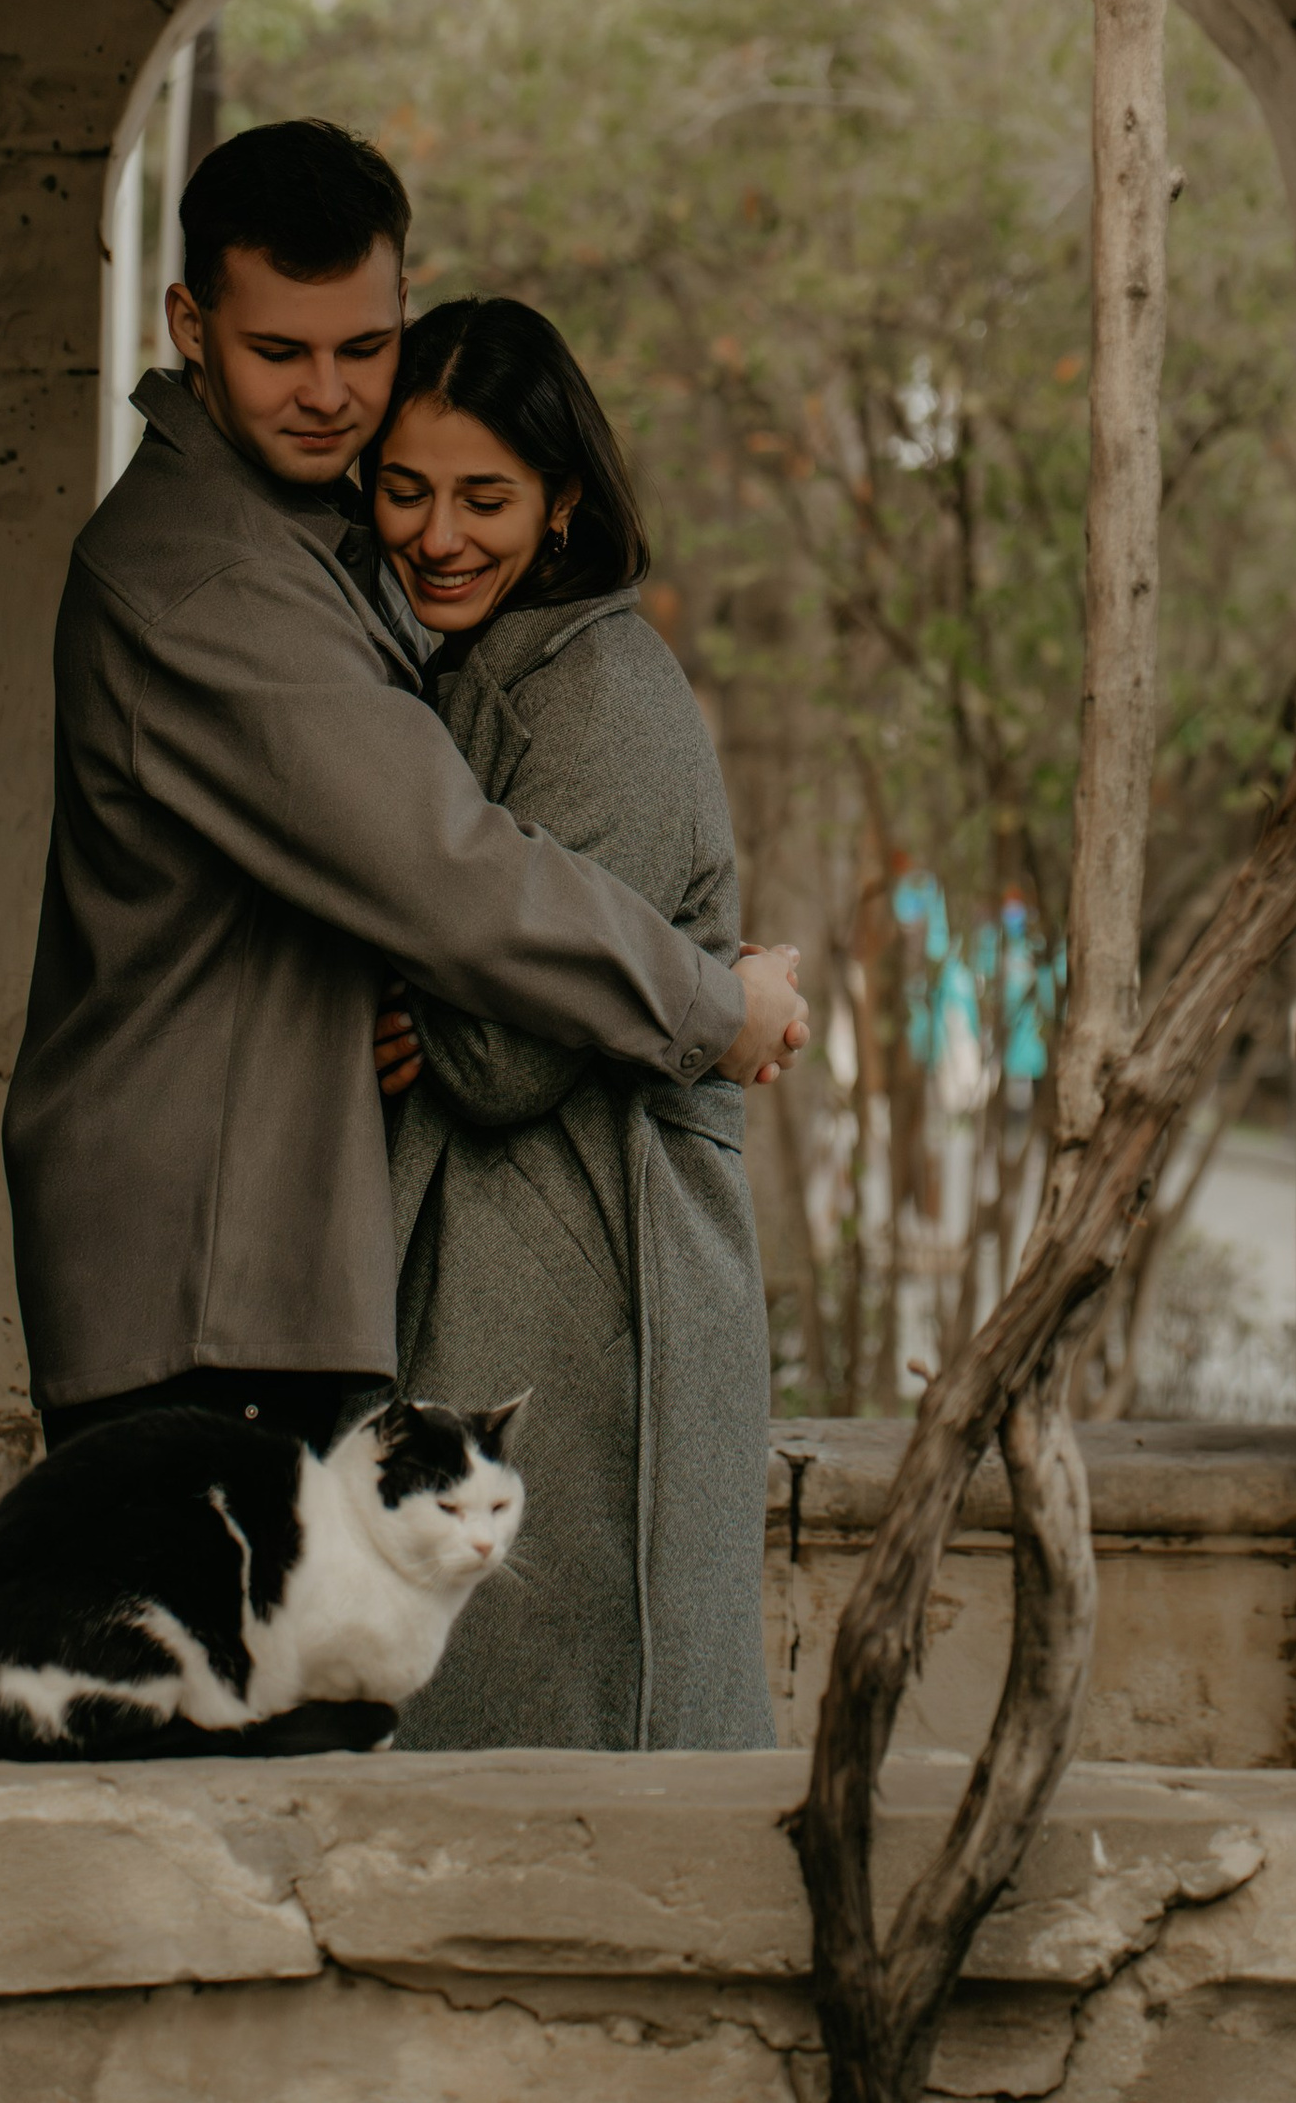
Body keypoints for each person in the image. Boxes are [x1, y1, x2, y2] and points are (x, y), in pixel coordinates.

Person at [2, 122, 809, 1460]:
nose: (328, 394)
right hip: (205, 1298)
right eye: (279, 352)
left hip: (249, 1284)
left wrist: (390, 1013)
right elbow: (449, 871)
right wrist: (715, 1003)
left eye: (363, 349)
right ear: (189, 324)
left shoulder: (310, 535)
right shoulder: (213, 580)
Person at [368, 297, 776, 1751]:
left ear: (560, 510)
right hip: (496, 1263)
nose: (439, 534)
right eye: (405, 490)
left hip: (599, 1276)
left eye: (486, 497)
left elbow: (495, 1056)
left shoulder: (600, 692)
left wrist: (393, 976)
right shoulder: (460, 672)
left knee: (581, 1729)